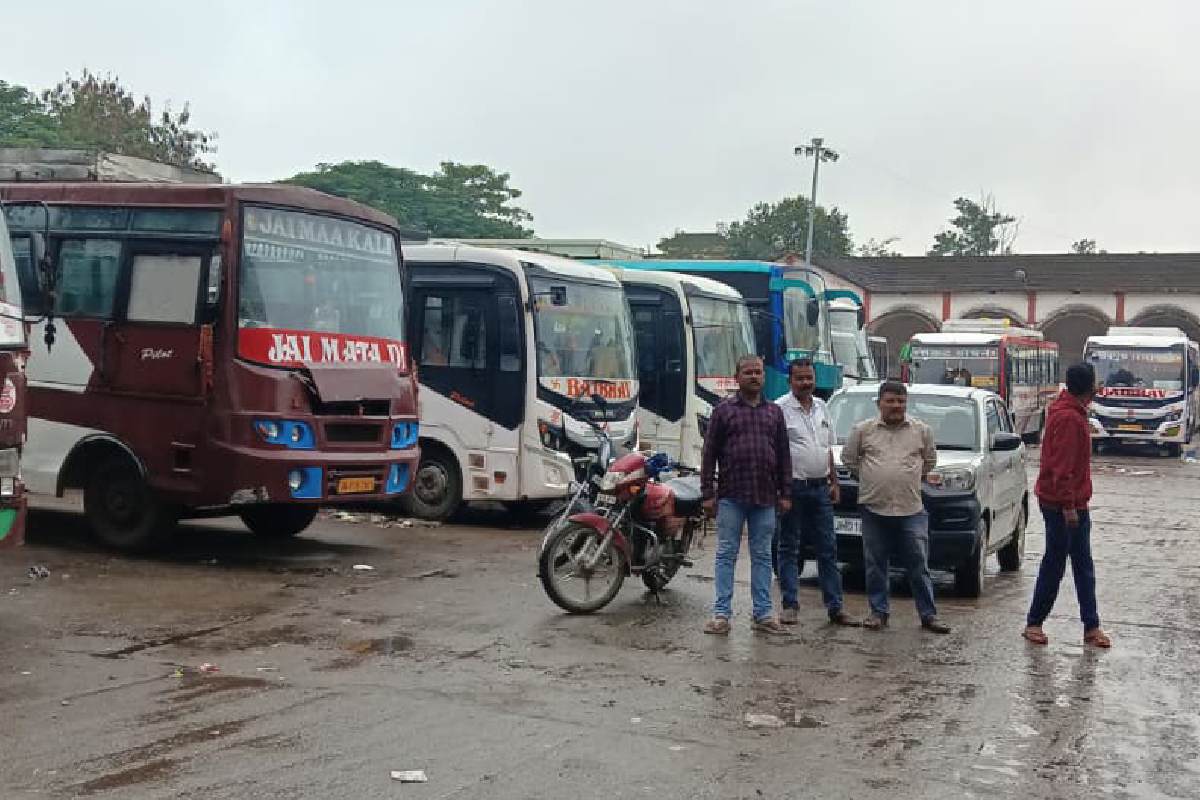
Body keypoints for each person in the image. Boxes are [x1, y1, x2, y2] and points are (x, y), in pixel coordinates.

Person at [841, 381, 951, 633]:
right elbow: (850, 460)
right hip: (873, 508)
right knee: (875, 563)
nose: (895, 406)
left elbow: (929, 462)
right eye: (890, 401)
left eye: (900, 401)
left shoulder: (921, 431)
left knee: (918, 564)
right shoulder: (863, 431)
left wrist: (906, 477)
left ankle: (928, 615)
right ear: (879, 402)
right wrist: (871, 478)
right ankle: (878, 612)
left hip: (911, 509)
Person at [700, 354, 792, 635]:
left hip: (765, 497)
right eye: (748, 372)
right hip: (731, 495)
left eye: (758, 372)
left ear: (764, 377)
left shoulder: (774, 413)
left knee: (763, 554)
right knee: (726, 553)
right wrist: (707, 492)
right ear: (737, 377)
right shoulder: (723, 411)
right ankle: (721, 614)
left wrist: (786, 492)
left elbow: (784, 457)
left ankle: (763, 613)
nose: (754, 376)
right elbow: (709, 454)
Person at [1022, 363, 1111, 648]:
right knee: (1056, 563)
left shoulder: (1068, 411)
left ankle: (1091, 625)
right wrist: (1069, 506)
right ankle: (1035, 622)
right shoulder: (1069, 419)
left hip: (1069, 500)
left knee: (1082, 564)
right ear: (1090, 388)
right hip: (1062, 504)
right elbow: (1063, 468)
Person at [775, 358, 858, 626]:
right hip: (792, 488)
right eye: (800, 378)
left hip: (820, 488)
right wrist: (780, 491)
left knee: (828, 549)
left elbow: (827, 450)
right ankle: (790, 605)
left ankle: (836, 608)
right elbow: (774, 453)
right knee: (789, 547)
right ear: (790, 381)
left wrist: (834, 482)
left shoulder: (822, 407)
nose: (806, 383)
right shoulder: (779, 410)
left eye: (809, 378)